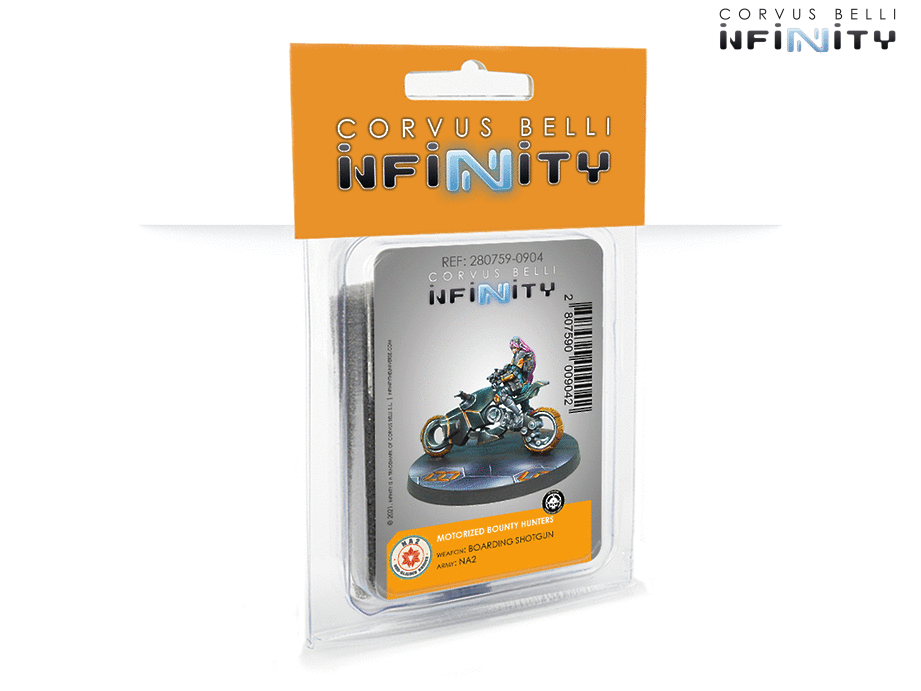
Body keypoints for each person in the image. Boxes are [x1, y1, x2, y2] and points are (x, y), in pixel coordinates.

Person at [495, 337, 536, 428]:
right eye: (512, 348)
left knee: (502, 393)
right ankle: (526, 412)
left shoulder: (520, 354)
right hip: (525, 383)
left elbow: (514, 373)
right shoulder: (524, 354)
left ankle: (518, 415)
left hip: (520, 385)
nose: (513, 350)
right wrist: (501, 372)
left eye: (514, 347)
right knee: (526, 408)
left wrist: (501, 379)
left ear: (519, 346)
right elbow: (512, 368)